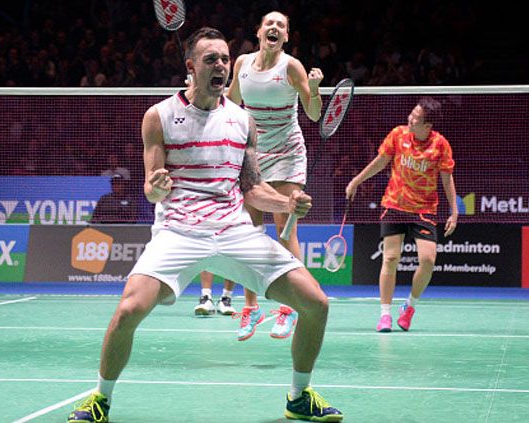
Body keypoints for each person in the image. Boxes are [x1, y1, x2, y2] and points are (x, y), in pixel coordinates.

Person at [67, 27, 342, 423]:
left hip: (233, 230)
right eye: (211, 59)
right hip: (178, 230)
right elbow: (152, 188)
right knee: (128, 310)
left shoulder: (243, 122)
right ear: (191, 67)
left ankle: (299, 397)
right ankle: (100, 400)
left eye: (226, 59)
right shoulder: (159, 116)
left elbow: (251, 188)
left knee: (315, 303)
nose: (221, 66)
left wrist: (287, 202)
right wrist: (157, 186)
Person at [226, 11, 323, 342]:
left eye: (281, 25)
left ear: (286, 37)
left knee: (286, 227)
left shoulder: (290, 67)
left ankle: (289, 308)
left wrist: (314, 89)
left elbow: (313, 114)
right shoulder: (242, 65)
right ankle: (251, 310)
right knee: (250, 232)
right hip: (253, 153)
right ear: (259, 31)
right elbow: (230, 104)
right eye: (270, 23)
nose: (274, 28)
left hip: (287, 152)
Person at [345, 97, 458, 333]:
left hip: (424, 210)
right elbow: (380, 162)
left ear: (427, 126)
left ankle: (409, 306)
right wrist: (356, 181)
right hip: (395, 204)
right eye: (412, 114)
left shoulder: (440, 145)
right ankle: (385, 314)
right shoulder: (398, 134)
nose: (410, 119)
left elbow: (447, 180)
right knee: (390, 258)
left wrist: (454, 211)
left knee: (428, 261)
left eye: (416, 118)